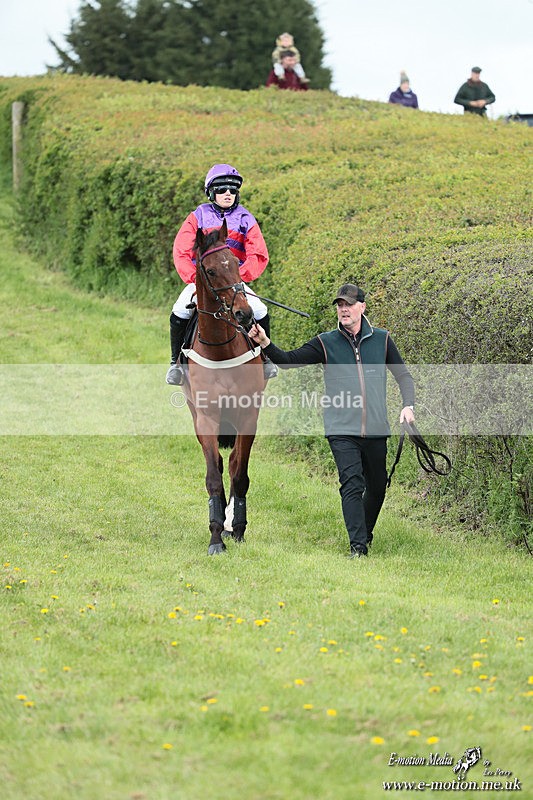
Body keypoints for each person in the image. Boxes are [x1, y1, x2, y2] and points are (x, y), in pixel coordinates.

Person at [249, 283, 415, 558]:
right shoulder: (326, 342)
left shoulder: (383, 340)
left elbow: (404, 376)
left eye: (349, 304)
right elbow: (289, 361)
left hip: (376, 427)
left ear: (362, 307)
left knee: (377, 486)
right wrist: (265, 343)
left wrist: (408, 406)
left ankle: (365, 532)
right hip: (341, 428)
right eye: (340, 305)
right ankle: (358, 547)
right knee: (352, 483)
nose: (343, 309)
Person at [166, 164, 277, 385]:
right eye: (222, 188)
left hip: (233, 281)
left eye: (233, 189)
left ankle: (266, 357)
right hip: (204, 279)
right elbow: (181, 250)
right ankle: (176, 364)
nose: (228, 193)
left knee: (260, 310)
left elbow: (258, 253)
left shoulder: (246, 218)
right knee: (179, 311)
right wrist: (195, 279)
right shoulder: (197, 216)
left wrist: (239, 276)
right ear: (211, 192)